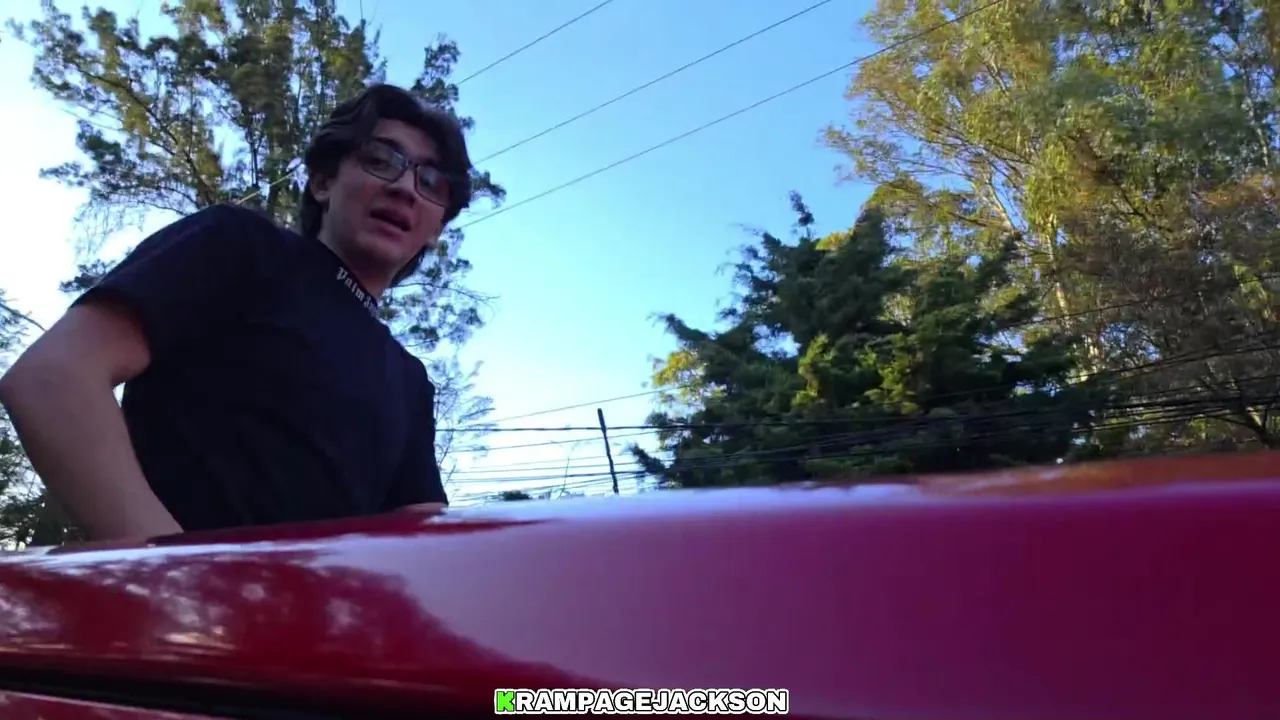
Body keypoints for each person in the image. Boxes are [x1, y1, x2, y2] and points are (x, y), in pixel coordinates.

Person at [0, 83, 472, 541]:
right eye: (380, 160)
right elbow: (52, 377)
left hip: (320, 599)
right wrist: (177, 573)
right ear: (323, 182)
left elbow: (424, 539)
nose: (405, 188)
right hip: (170, 593)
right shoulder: (242, 248)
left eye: (431, 182)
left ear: (436, 229)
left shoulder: (410, 381)